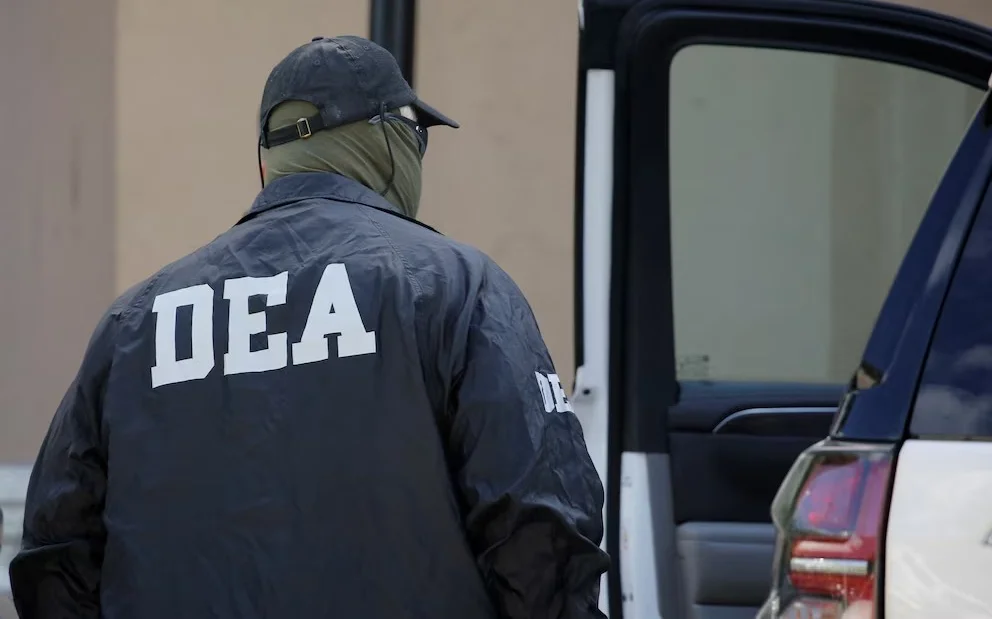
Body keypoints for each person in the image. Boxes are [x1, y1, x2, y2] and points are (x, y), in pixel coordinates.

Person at [9, 35, 609, 619]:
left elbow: (55, 550)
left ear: (267, 164)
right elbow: (541, 524)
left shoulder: (135, 323)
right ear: (388, 143)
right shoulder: (455, 287)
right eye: (416, 134)